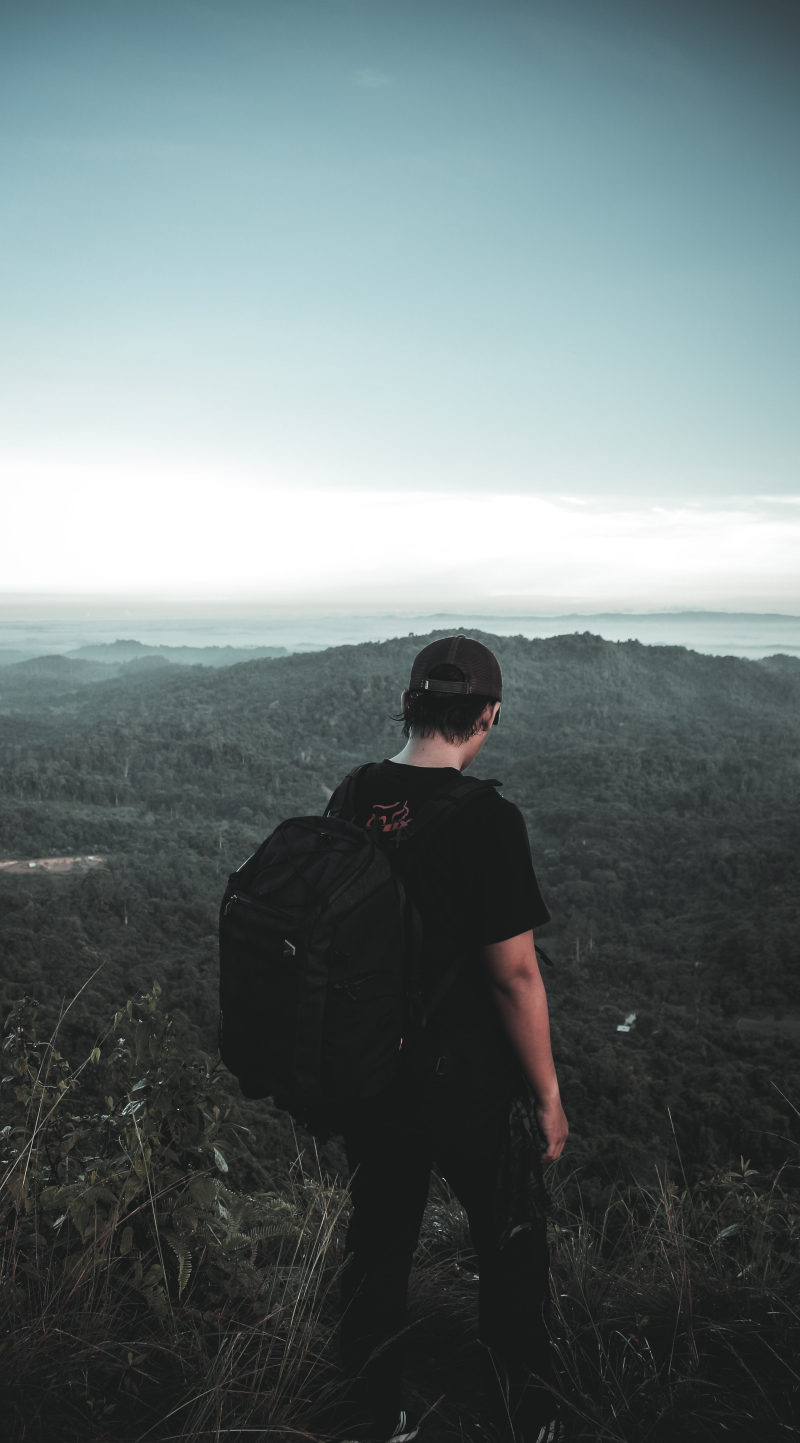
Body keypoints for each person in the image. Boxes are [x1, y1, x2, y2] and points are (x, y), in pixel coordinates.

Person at [333, 635, 568, 1443]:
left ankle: (373, 1413)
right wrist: (546, 1094)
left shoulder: (355, 791)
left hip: (369, 1071)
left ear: (408, 704)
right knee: (509, 1244)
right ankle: (521, 1411)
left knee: (379, 1242)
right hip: (465, 1079)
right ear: (489, 716)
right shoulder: (488, 820)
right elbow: (514, 977)